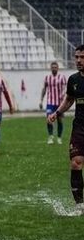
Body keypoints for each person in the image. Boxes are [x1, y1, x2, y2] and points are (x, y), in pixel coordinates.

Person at [47, 45, 84, 213]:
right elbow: (69, 99)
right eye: (76, 57)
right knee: (76, 163)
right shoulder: (73, 79)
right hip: (79, 128)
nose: (78, 60)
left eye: (82, 57)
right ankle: (80, 205)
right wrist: (57, 112)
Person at [41, 61, 67, 144]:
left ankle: (59, 137)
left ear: (58, 68)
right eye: (53, 67)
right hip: (50, 102)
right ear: (50, 68)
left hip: (59, 103)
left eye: (55, 67)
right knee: (49, 119)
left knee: (59, 120)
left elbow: (65, 89)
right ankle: (50, 136)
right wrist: (41, 100)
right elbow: (44, 89)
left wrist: (63, 97)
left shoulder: (62, 77)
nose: (54, 69)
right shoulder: (47, 78)